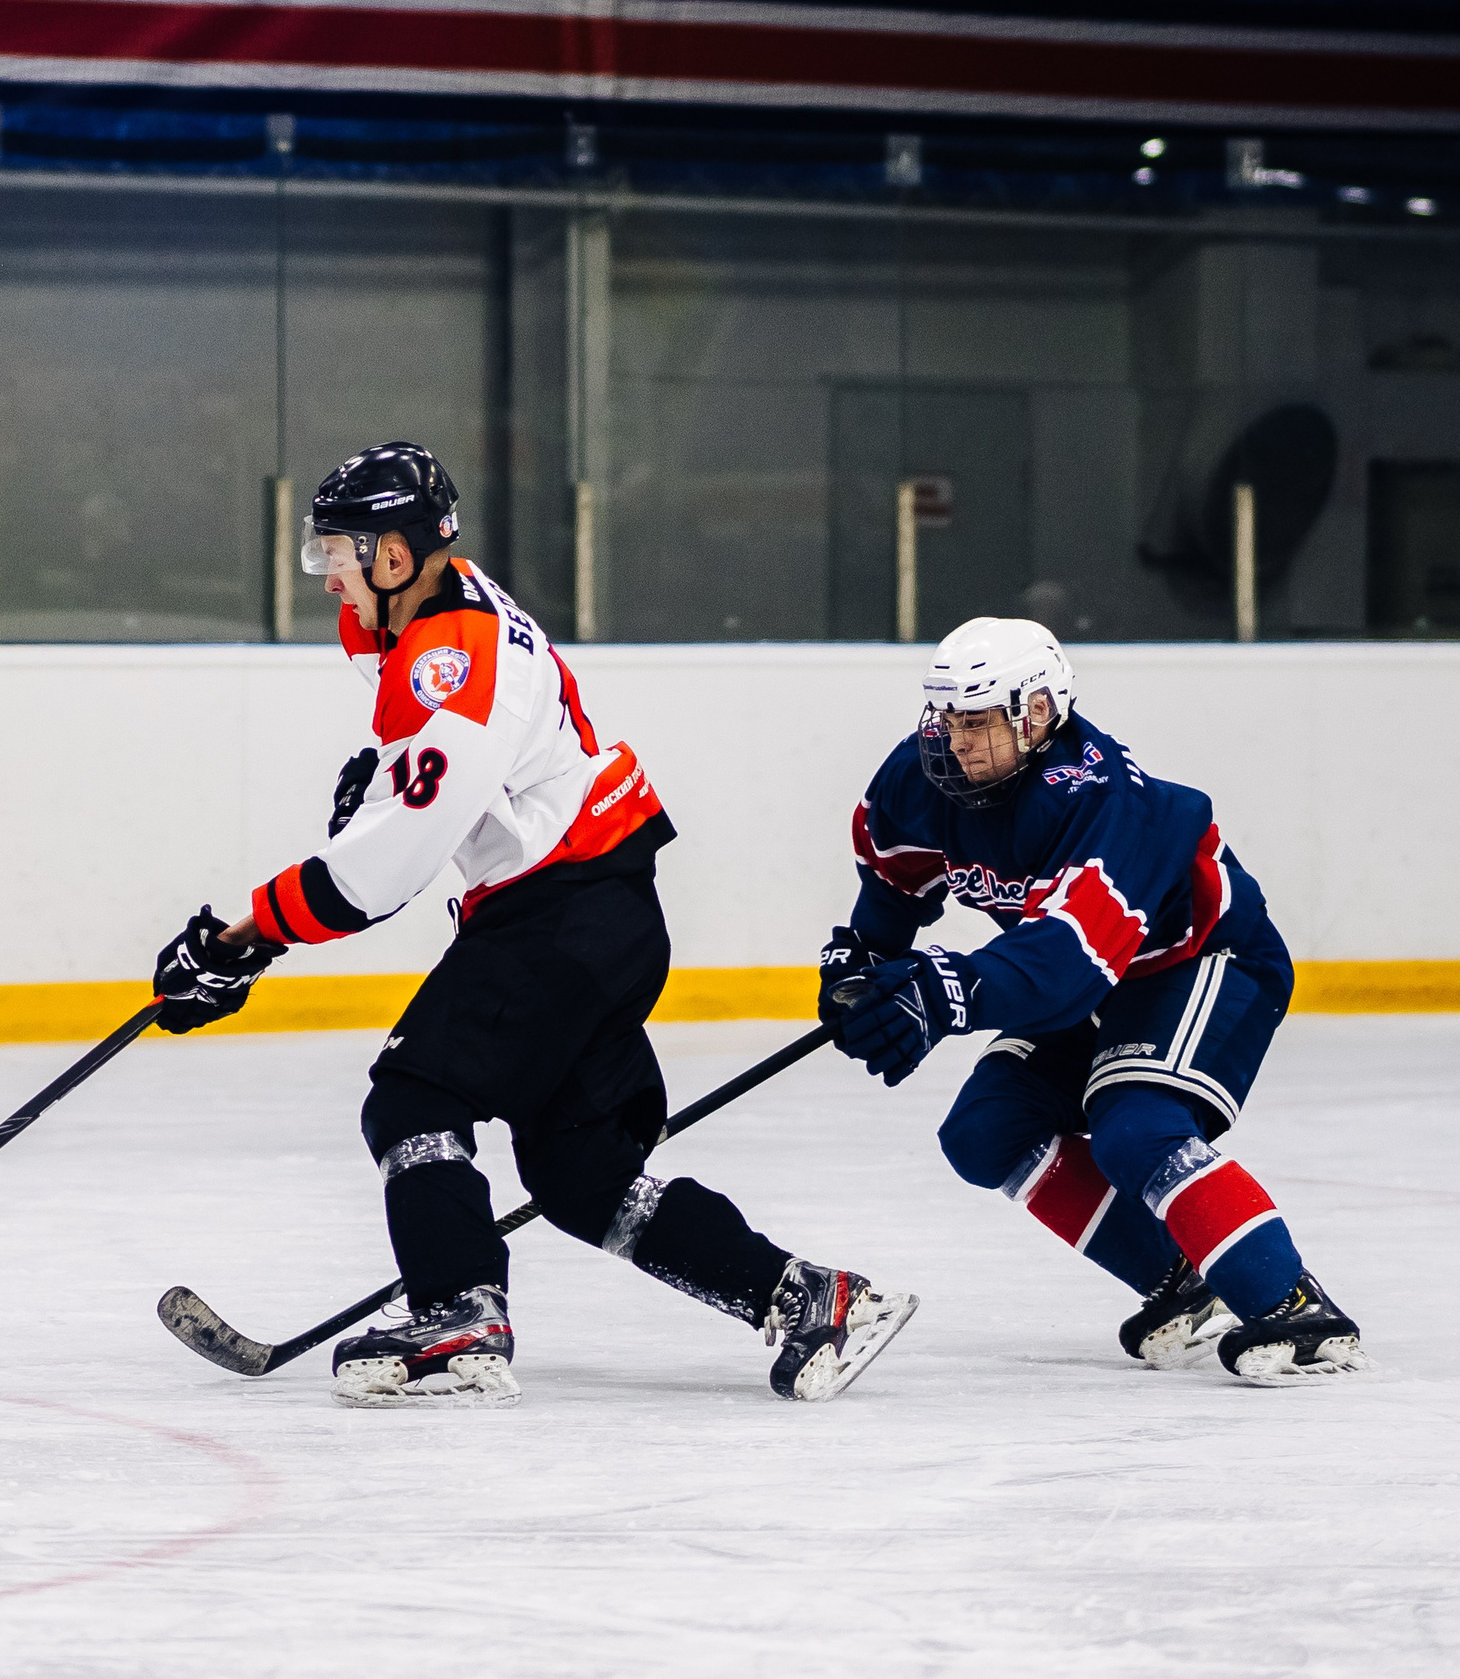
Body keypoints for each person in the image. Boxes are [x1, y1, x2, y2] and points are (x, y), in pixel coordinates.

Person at [150, 442, 916, 1407]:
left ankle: (458, 1318)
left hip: (564, 915)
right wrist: (387, 771)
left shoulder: (451, 660)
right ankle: (811, 1298)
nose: (330, 571)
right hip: (597, 909)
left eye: (343, 550)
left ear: (396, 555)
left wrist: (244, 940)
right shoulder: (437, 610)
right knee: (579, 1173)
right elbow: (449, 779)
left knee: (413, 1098)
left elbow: (389, 865)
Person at [820, 616, 1368, 1385]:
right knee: (985, 1131)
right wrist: (866, 966)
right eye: (946, 717)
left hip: (1200, 960)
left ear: (1036, 712)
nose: (955, 739)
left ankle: (1297, 1310)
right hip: (1097, 977)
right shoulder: (919, 778)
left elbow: (1067, 960)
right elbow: (894, 880)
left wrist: (949, 991)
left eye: (977, 721)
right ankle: (1181, 1279)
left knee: (1136, 1128)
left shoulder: (1106, 798)